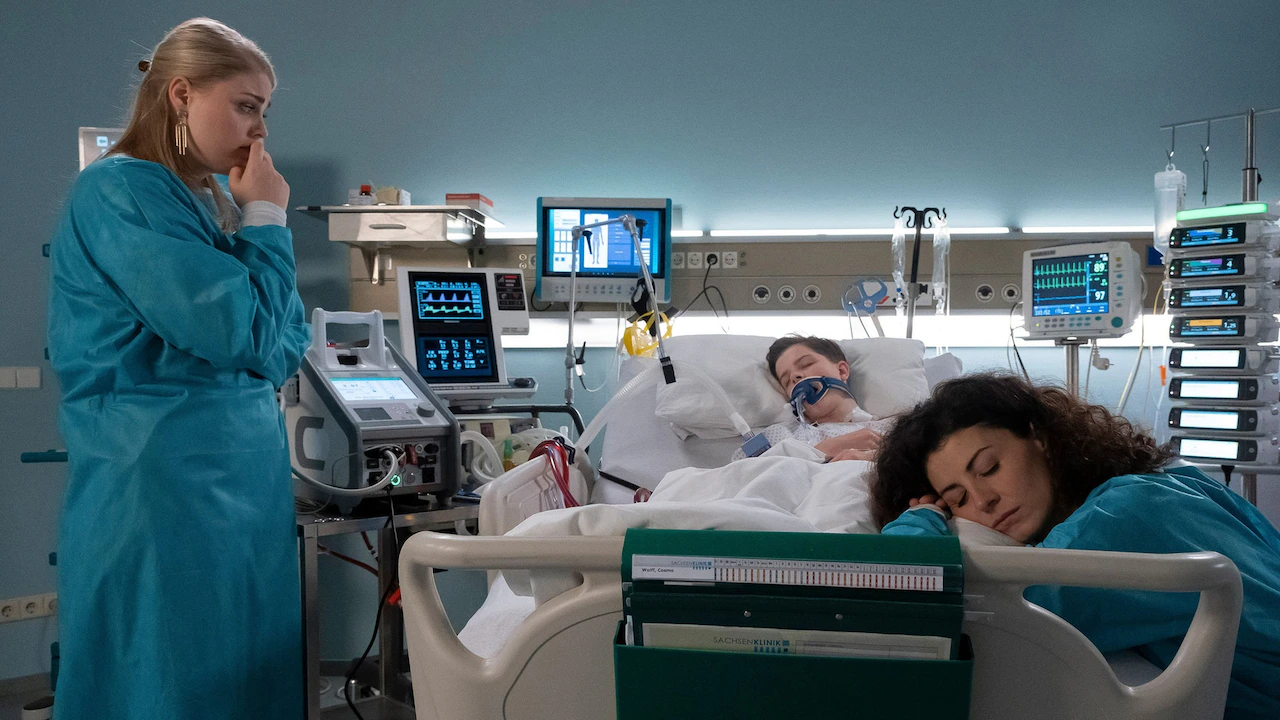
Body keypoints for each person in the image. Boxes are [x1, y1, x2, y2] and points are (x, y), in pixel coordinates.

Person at [47, 18, 309, 720]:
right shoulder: (118, 192)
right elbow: (242, 331)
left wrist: (257, 226)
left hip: (239, 487)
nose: (259, 130)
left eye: (265, 111)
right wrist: (265, 216)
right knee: (163, 684)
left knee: (243, 680)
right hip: (163, 491)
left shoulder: (199, 206)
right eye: (245, 106)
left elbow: (282, 345)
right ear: (182, 94)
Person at [871, 373, 1280, 719]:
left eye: (989, 468)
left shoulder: (1119, 518)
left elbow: (918, 605)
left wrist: (921, 520)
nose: (983, 501)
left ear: (1040, 439)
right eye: (957, 499)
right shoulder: (1175, 481)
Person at [730, 335, 883, 461]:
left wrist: (876, 459)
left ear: (842, 371)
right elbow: (739, 472)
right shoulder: (779, 435)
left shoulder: (889, 428)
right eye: (787, 381)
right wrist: (822, 450)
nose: (795, 376)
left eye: (806, 364)